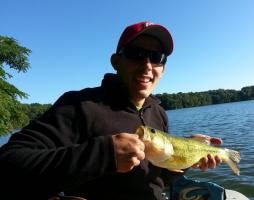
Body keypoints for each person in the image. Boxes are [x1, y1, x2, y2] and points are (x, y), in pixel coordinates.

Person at [0, 21, 222, 200]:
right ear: (116, 61)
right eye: (137, 53)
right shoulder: (79, 105)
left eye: (157, 58)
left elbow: (159, 181)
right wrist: (103, 154)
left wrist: (185, 160)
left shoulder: (158, 113)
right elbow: (9, 164)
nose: (147, 65)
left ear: (163, 69)